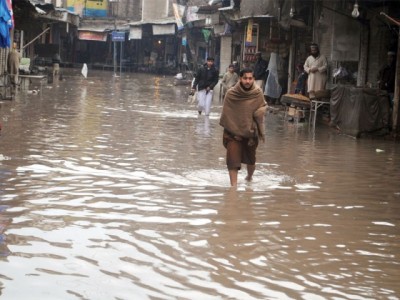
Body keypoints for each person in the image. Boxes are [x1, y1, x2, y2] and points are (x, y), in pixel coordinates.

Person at [219, 68, 267, 186]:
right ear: (240, 79)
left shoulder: (258, 93)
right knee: (233, 161)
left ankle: (249, 178)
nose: (247, 81)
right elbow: (226, 115)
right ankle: (233, 188)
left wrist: (260, 111)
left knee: (251, 160)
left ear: (253, 79)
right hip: (233, 133)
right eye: (245, 78)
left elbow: (264, 106)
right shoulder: (231, 94)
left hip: (250, 133)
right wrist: (234, 132)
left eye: (250, 78)